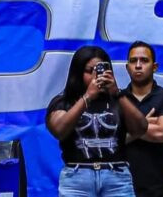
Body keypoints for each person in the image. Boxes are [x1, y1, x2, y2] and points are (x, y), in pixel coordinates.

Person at [46, 45, 148, 197]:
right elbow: (59, 130)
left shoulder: (120, 99)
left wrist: (117, 93)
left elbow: (140, 129)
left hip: (116, 176)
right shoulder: (64, 102)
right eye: (89, 71)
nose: (96, 76)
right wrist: (87, 97)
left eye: (101, 70)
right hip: (77, 177)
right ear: (78, 73)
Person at [123, 41, 163, 197]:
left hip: (161, 190)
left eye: (144, 60)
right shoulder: (117, 99)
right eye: (133, 61)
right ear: (127, 67)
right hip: (120, 188)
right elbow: (108, 139)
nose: (138, 65)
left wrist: (125, 128)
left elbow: (161, 134)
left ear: (154, 66)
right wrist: (143, 124)